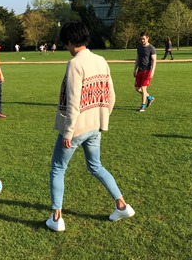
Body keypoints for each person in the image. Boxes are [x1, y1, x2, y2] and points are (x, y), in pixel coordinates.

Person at [46, 22, 135, 232]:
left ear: (69, 41)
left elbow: (73, 101)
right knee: (96, 166)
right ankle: (121, 205)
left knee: (58, 169)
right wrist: (101, 117)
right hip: (95, 126)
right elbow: (111, 95)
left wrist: (68, 132)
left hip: (76, 128)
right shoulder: (101, 60)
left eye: (65, 44)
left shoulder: (75, 64)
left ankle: (57, 218)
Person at [133, 31, 156, 112]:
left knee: (143, 88)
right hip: (140, 70)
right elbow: (137, 59)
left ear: (147, 38)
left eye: (143, 39)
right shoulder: (139, 47)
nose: (142, 40)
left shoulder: (151, 48)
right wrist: (134, 69)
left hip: (147, 71)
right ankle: (150, 98)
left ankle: (142, 106)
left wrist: (152, 71)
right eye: (141, 39)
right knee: (137, 88)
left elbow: (154, 61)